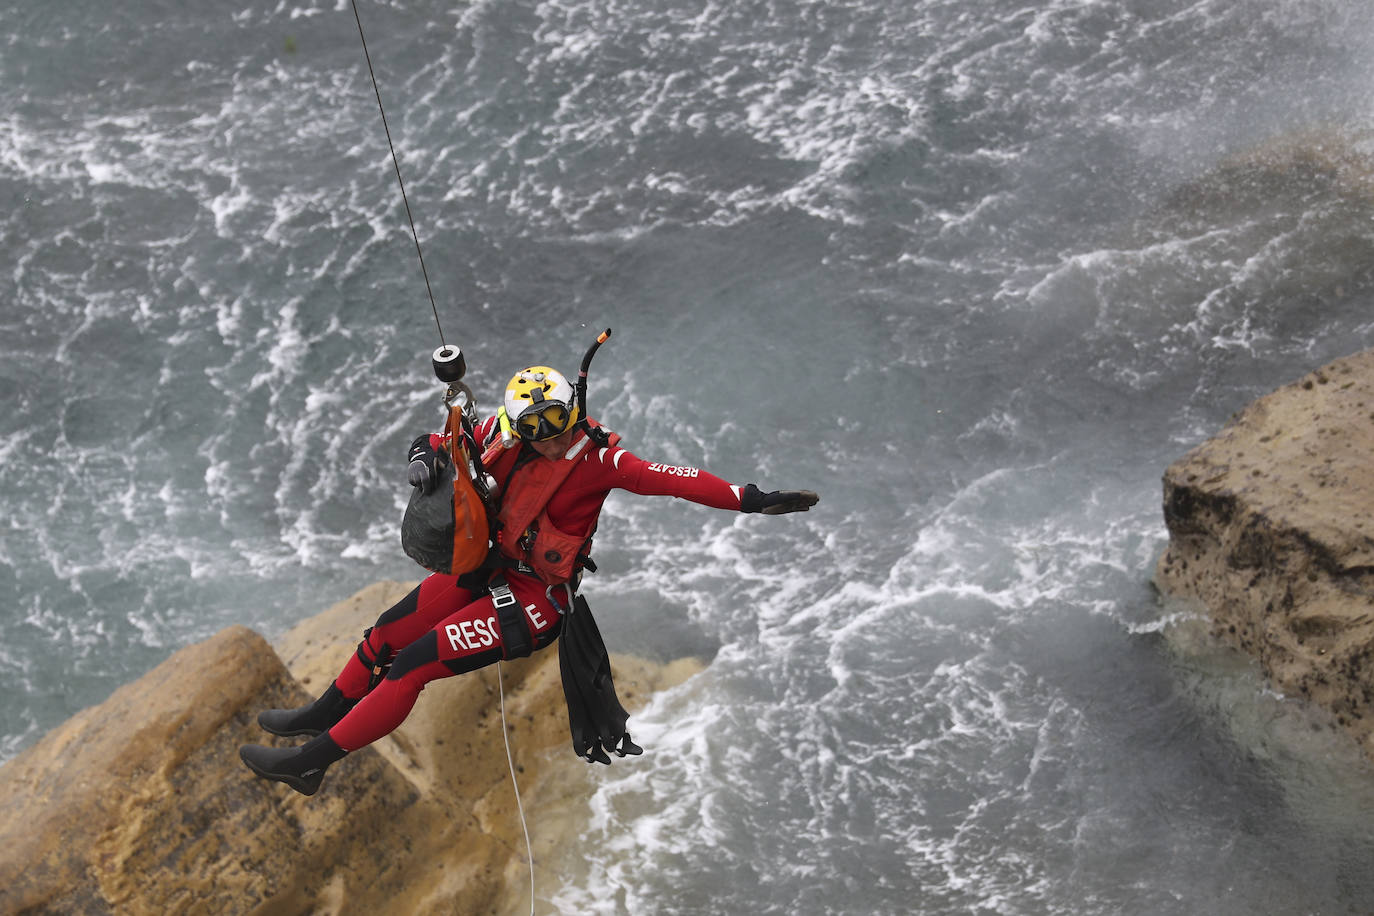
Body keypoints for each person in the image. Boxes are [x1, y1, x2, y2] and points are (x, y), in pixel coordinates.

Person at [239, 364, 818, 796]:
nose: (550, 439)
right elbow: (435, 440)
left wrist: (750, 499)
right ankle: (317, 716)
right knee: (382, 639)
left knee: (412, 663)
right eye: (536, 431)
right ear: (518, 425)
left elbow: (674, 478)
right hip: (489, 568)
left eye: (559, 426)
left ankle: (310, 761)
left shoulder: (599, 460)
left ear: (573, 412)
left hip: (534, 602)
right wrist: (423, 462)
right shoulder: (501, 431)